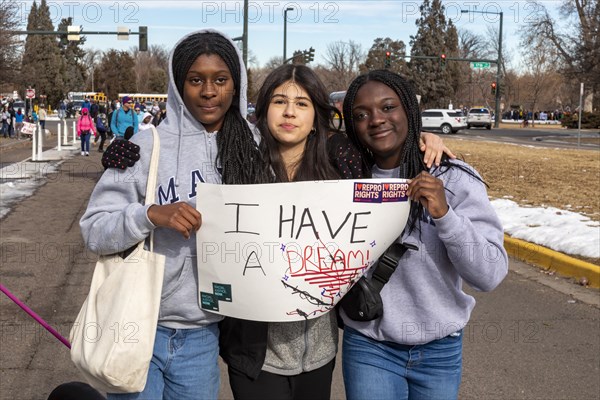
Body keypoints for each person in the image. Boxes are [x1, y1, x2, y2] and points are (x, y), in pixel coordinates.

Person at [80, 29, 272, 399]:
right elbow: (93, 230)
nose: (209, 91)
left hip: (203, 334)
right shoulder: (144, 146)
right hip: (137, 324)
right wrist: (149, 215)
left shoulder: (255, 145)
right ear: (178, 84)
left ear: (237, 83)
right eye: (195, 80)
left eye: (221, 79)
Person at [339, 69, 508, 400]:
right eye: (361, 114)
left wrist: (445, 214)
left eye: (388, 107)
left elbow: (490, 274)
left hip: (440, 351)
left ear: (408, 110)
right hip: (370, 346)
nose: (375, 119)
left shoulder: (455, 179)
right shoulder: (344, 178)